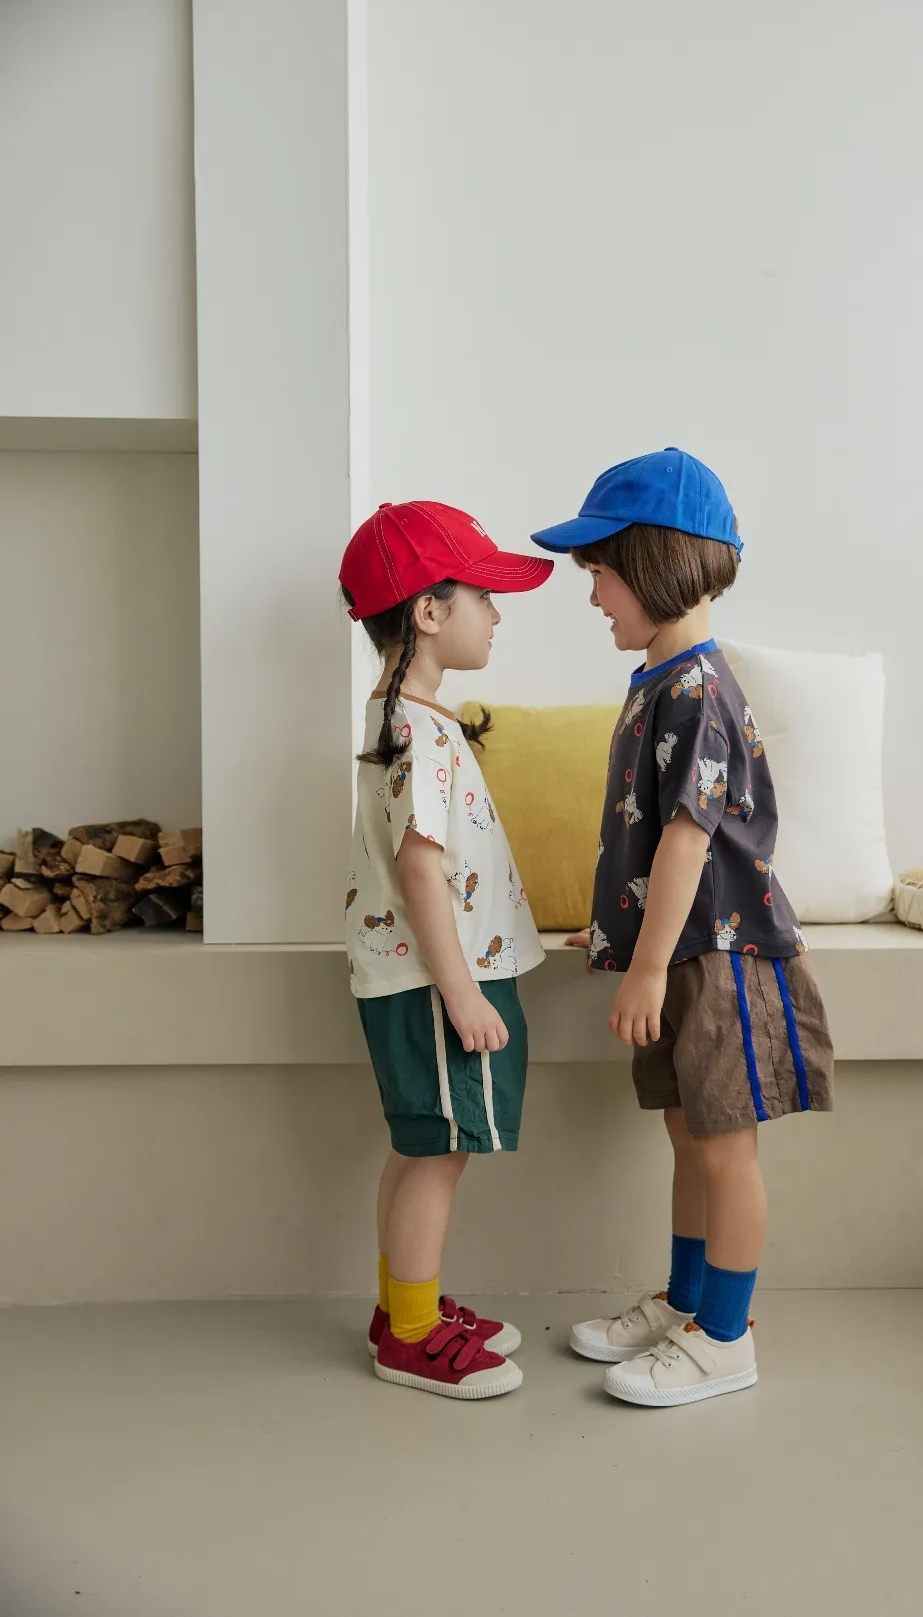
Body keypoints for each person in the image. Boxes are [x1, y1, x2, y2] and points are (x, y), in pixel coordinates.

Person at [531, 448, 833, 1409]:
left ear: (656, 563)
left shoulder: (698, 688)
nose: (592, 597)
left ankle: (726, 1338)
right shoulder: (660, 679)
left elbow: (688, 841)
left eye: (601, 573)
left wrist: (648, 967)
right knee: (687, 1134)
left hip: (718, 957)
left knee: (721, 1148)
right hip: (678, 949)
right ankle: (688, 1302)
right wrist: (616, 931)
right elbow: (644, 829)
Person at [340, 499, 552, 1400]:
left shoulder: (408, 719)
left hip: (429, 972)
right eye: (484, 597)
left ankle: (403, 1307)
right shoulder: (416, 732)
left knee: (419, 1144)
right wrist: (461, 993)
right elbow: (420, 872)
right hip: (438, 980)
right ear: (428, 611)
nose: (497, 615)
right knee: (439, 1151)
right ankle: (411, 1336)